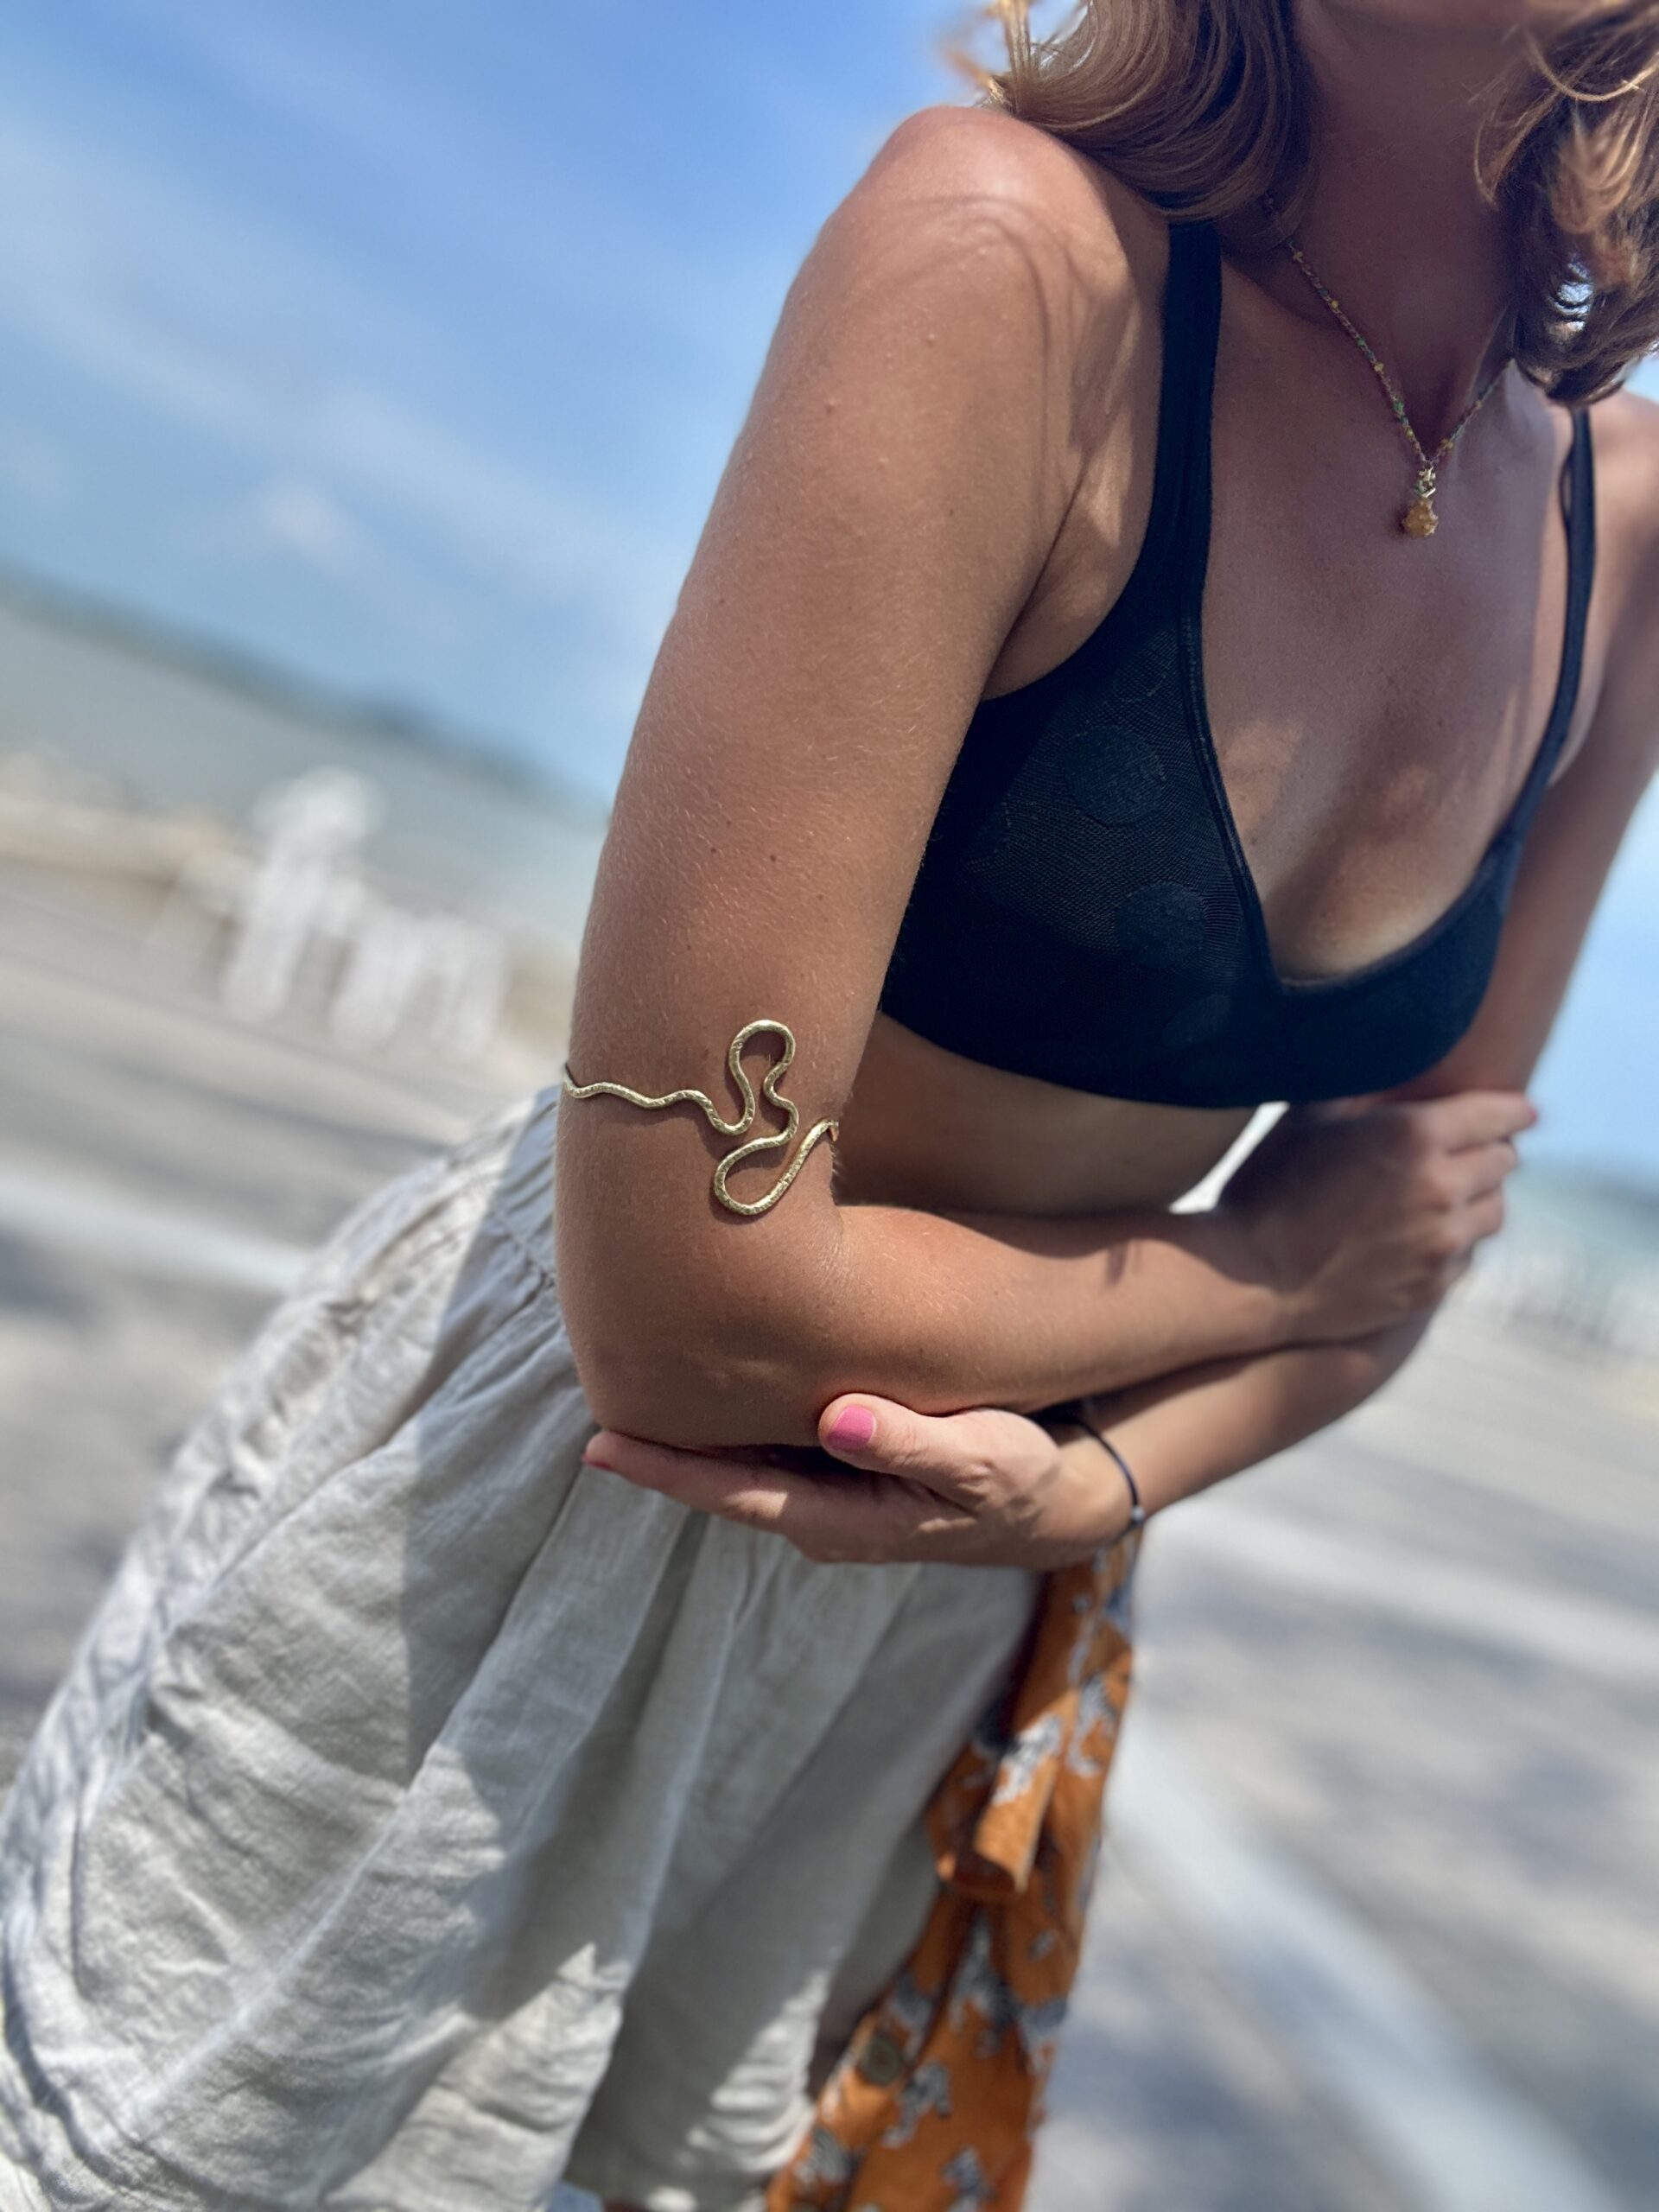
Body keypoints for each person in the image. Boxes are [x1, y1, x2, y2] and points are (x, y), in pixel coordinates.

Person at [3, 2, 1657, 2207]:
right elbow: (689, 1315)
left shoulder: (1622, 531)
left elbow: (1415, 1238)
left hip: (949, 1603)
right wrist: (1254, 1267)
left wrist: (1098, 1488)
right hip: (519, 1554)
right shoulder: (1009, 267)